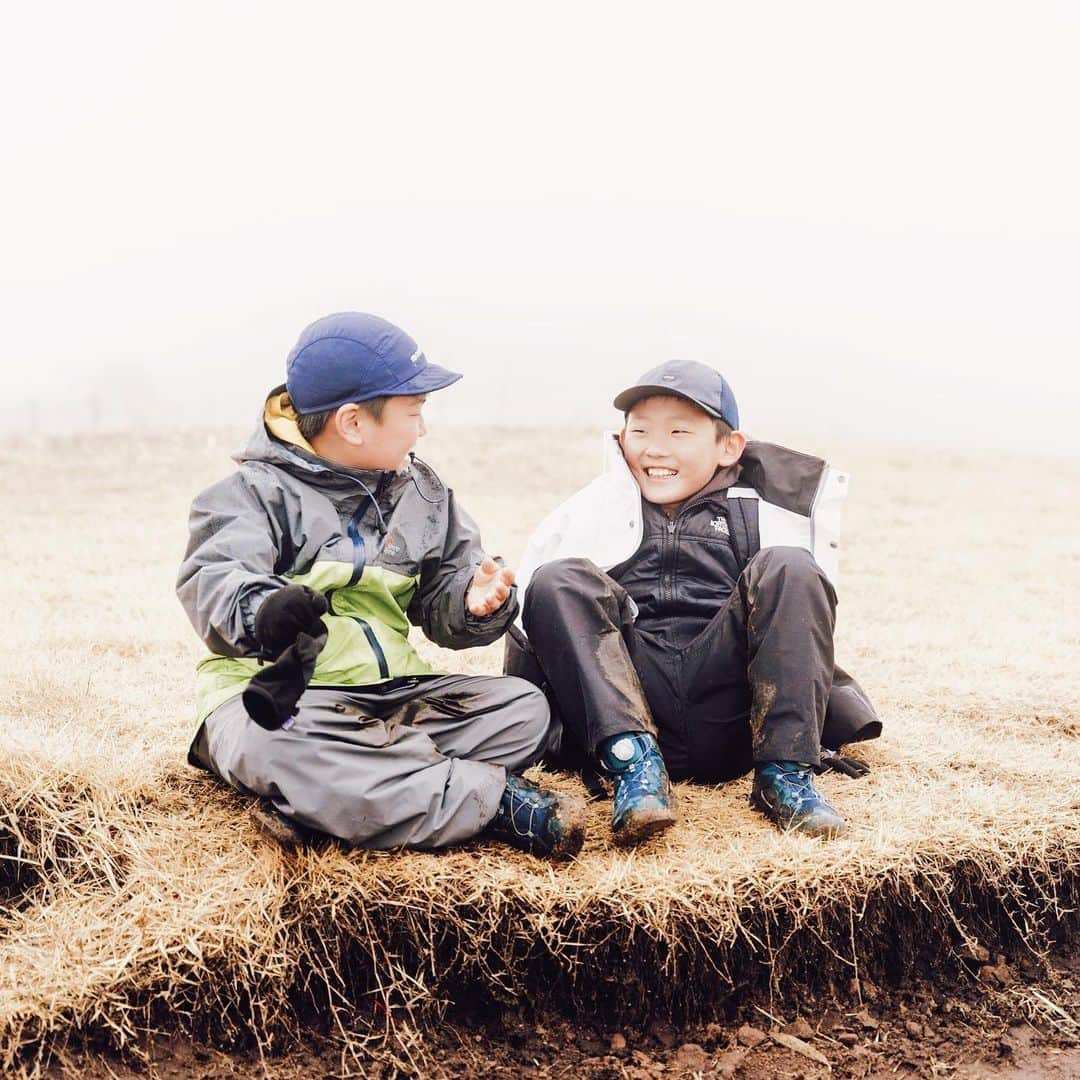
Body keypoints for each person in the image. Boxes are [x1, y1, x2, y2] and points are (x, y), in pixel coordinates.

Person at [177, 311, 586, 859]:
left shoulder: (425, 494)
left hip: (391, 701)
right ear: (352, 423)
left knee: (525, 712)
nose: (423, 429)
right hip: (282, 707)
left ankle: (329, 799)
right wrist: (263, 612)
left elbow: (447, 599)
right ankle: (496, 806)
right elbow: (215, 578)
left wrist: (474, 601)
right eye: (414, 413)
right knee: (275, 742)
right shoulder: (247, 493)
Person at [505, 360, 881, 846]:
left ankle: (784, 775)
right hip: (627, 710)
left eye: (679, 432)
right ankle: (635, 770)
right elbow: (535, 634)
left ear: (729, 447)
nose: (654, 448)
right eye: (638, 431)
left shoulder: (764, 515)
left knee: (792, 565)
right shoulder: (589, 511)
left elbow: (801, 630)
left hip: (731, 712)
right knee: (558, 578)